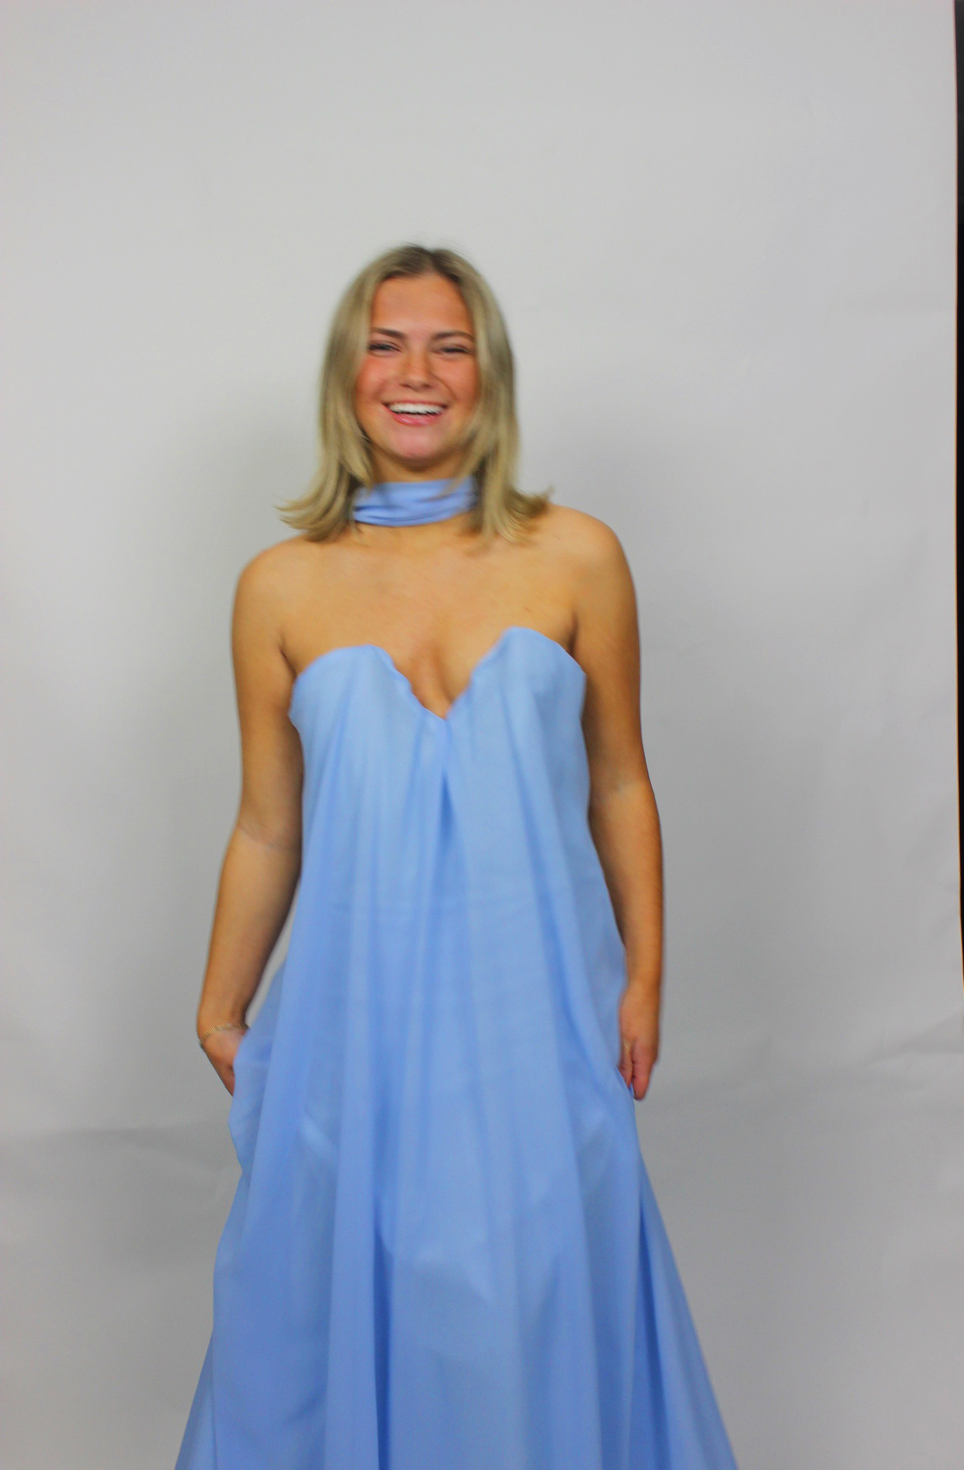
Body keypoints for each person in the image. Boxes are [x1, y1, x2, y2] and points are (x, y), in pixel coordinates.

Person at [175, 244, 738, 1469]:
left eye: (449, 346)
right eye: (385, 345)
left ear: (490, 376)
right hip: (349, 1020)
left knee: (530, 1304)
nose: (415, 373)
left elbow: (620, 781)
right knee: (323, 1305)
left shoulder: (576, 556)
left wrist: (643, 977)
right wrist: (221, 1005)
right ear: (346, 373)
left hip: (536, 1010)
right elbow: (268, 823)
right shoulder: (278, 586)